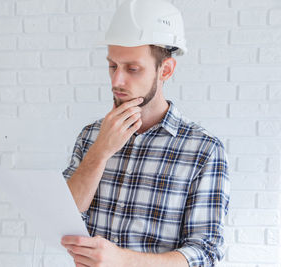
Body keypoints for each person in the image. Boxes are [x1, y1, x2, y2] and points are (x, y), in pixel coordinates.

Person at [60, 0, 230, 266]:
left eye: (133, 69)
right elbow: (65, 216)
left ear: (166, 70)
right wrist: (101, 150)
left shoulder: (204, 150)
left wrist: (122, 260)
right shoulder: (91, 136)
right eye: (112, 66)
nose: (116, 81)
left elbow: (205, 252)